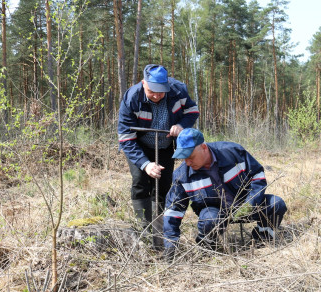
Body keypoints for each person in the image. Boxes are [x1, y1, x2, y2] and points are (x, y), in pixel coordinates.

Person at [163, 128, 287, 260]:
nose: (187, 162)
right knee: (209, 220)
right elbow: (173, 210)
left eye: (190, 157)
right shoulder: (182, 175)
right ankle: (207, 247)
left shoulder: (232, 152)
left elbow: (257, 175)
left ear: (204, 147)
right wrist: (170, 244)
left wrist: (250, 203)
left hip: (246, 204)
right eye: (184, 158)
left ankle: (262, 239)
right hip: (215, 213)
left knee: (276, 204)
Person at [117, 64, 199, 231]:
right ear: (143, 83)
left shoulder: (178, 90)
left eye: (161, 91)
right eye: (152, 91)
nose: (156, 96)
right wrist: (146, 164)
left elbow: (192, 110)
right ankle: (144, 228)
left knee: (163, 184)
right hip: (139, 146)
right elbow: (126, 137)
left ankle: (158, 228)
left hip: (166, 145)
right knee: (140, 180)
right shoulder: (132, 98)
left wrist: (181, 125)